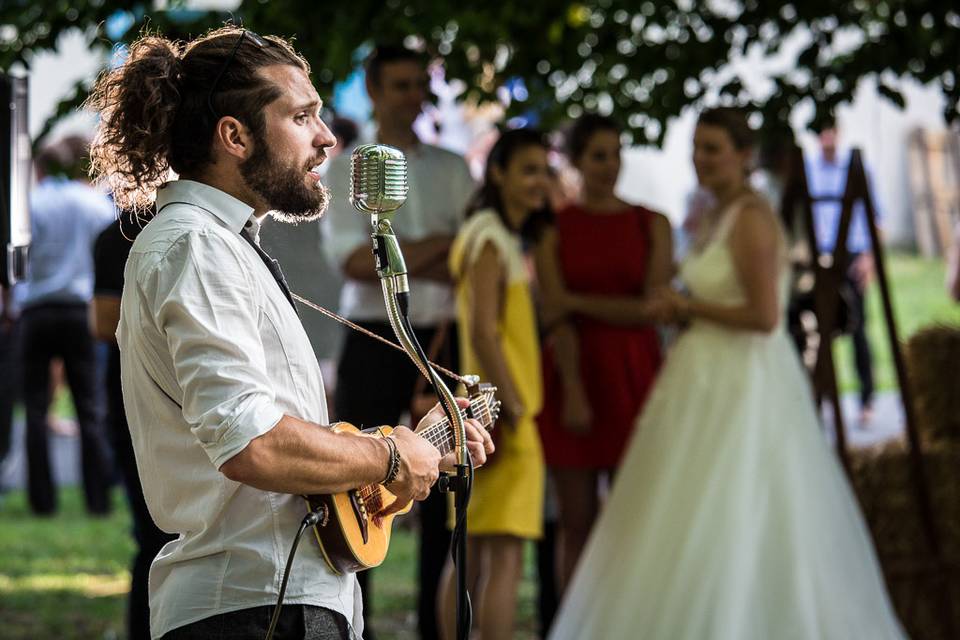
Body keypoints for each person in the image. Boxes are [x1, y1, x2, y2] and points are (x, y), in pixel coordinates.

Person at [85, 26, 492, 640]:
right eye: (302, 116)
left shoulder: (220, 245)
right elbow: (254, 444)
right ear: (235, 136)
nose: (327, 138)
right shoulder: (197, 247)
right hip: (254, 610)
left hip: (274, 603)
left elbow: (287, 476)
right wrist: (386, 455)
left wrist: (422, 447)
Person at [549, 108, 905, 640]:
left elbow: (765, 318)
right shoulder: (717, 213)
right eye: (696, 147)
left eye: (713, 148)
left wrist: (685, 307)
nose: (701, 158)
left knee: (741, 505)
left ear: (745, 156)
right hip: (702, 375)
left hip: (746, 381)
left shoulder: (753, 216)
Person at [321, 44, 474, 640]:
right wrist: (437, 247)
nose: (414, 97)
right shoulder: (346, 168)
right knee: (358, 487)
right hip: (372, 336)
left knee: (443, 486)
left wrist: (423, 255)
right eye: (402, 85)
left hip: (440, 335)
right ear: (376, 89)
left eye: (421, 85)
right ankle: (353, 621)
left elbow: (469, 256)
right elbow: (356, 263)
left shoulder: (452, 168)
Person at [535, 114, 673, 599]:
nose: (610, 165)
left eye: (616, 154)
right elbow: (554, 312)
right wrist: (573, 389)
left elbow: (652, 307)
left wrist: (577, 300)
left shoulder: (651, 223)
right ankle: (572, 623)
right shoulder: (553, 228)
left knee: (637, 517)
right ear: (575, 161)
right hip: (574, 372)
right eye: (598, 155)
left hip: (636, 373)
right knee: (577, 523)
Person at [438, 128, 550, 640]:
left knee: (475, 552)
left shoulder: (494, 233)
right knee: (501, 559)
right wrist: (518, 403)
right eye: (528, 170)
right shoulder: (489, 235)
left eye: (545, 170)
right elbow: (483, 329)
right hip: (504, 415)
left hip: (489, 413)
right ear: (499, 172)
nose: (540, 182)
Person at [19, 136, 115, 515]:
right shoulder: (96, 205)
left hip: (38, 310)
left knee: (36, 410)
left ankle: (41, 502)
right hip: (81, 311)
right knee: (90, 408)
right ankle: (98, 498)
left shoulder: (31, 203)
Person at [92, 209, 176, 640]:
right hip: (135, 402)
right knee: (154, 535)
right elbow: (103, 322)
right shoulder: (120, 234)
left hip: (186, 404)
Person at [806, 120, 881, 424]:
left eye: (831, 130)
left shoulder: (857, 169)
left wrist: (869, 258)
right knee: (819, 331)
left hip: (852, 256)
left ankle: (867, 400)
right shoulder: (809, 170)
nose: (827, 137)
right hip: (820, 257)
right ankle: (820, 400)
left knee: (858, 328)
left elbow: (876, 217)